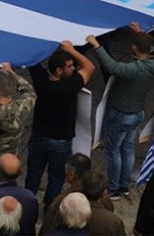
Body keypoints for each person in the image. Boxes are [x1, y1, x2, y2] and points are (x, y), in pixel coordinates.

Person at [86, 24, 154, 197]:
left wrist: (96, 45)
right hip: (136, 114)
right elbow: (150, 46)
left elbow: (112, 67)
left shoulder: (135, 69)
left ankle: (113, 189)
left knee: (113, 150)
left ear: (135, 48)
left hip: (122, 113)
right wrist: (139, 32)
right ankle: (123, 185)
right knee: (127, 148)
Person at [25, 41, 95, 208]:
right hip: (61, 143)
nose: (73, 69)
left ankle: (27, 204)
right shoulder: (70, 85)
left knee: (33, 174)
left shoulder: (41, 80)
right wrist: (71, 50)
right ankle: (50, 207)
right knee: (56, 177)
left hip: (38, 138)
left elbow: (32, 60)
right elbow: (90, 67)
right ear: (59, 71)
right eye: (70, 66)